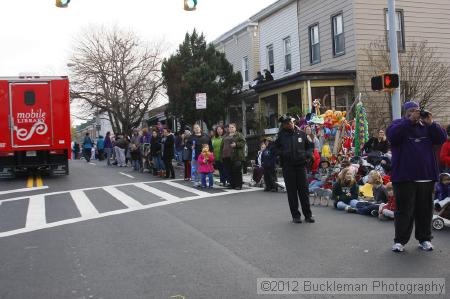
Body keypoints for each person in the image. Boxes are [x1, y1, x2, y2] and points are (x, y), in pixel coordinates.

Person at [386, 101, 447, 253]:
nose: (415, 113)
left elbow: (441, 138)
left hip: (426, 176)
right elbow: (393, 137)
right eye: (411, 111)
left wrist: (431, 123)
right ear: (405, 112)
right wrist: (408, 121)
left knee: (425, 211)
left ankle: (425, 239)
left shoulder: (427, 126)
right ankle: (400, 241)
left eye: (417, 110)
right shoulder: (398, 125)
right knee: (404, 211)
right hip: (404, 177)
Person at [272, 115, 314, 223]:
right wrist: (282, 154)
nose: (289, 124)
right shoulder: (280, 136)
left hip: (301, 166)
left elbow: (310, 146)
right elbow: (274, 149)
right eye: (287, 123)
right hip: (288, 167)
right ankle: (296, 216)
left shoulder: (302, 134)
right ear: (284, 125)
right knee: (292, 193)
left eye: (290, 122)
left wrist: (307, 155)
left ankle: (308, 215)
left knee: (304, 192)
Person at [220, 123, 246, 190]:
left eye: (232, 127)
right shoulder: (225, 135)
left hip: (236, 156)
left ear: (235, 128)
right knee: (229, 171)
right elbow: (222, 146)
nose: (230, 129)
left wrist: (236, 144)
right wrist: (221, 155)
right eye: (229, 127)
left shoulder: (239, 135)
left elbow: (243, 142)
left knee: (237, 170)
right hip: (226, 156)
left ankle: (238, 185)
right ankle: (232, 184)